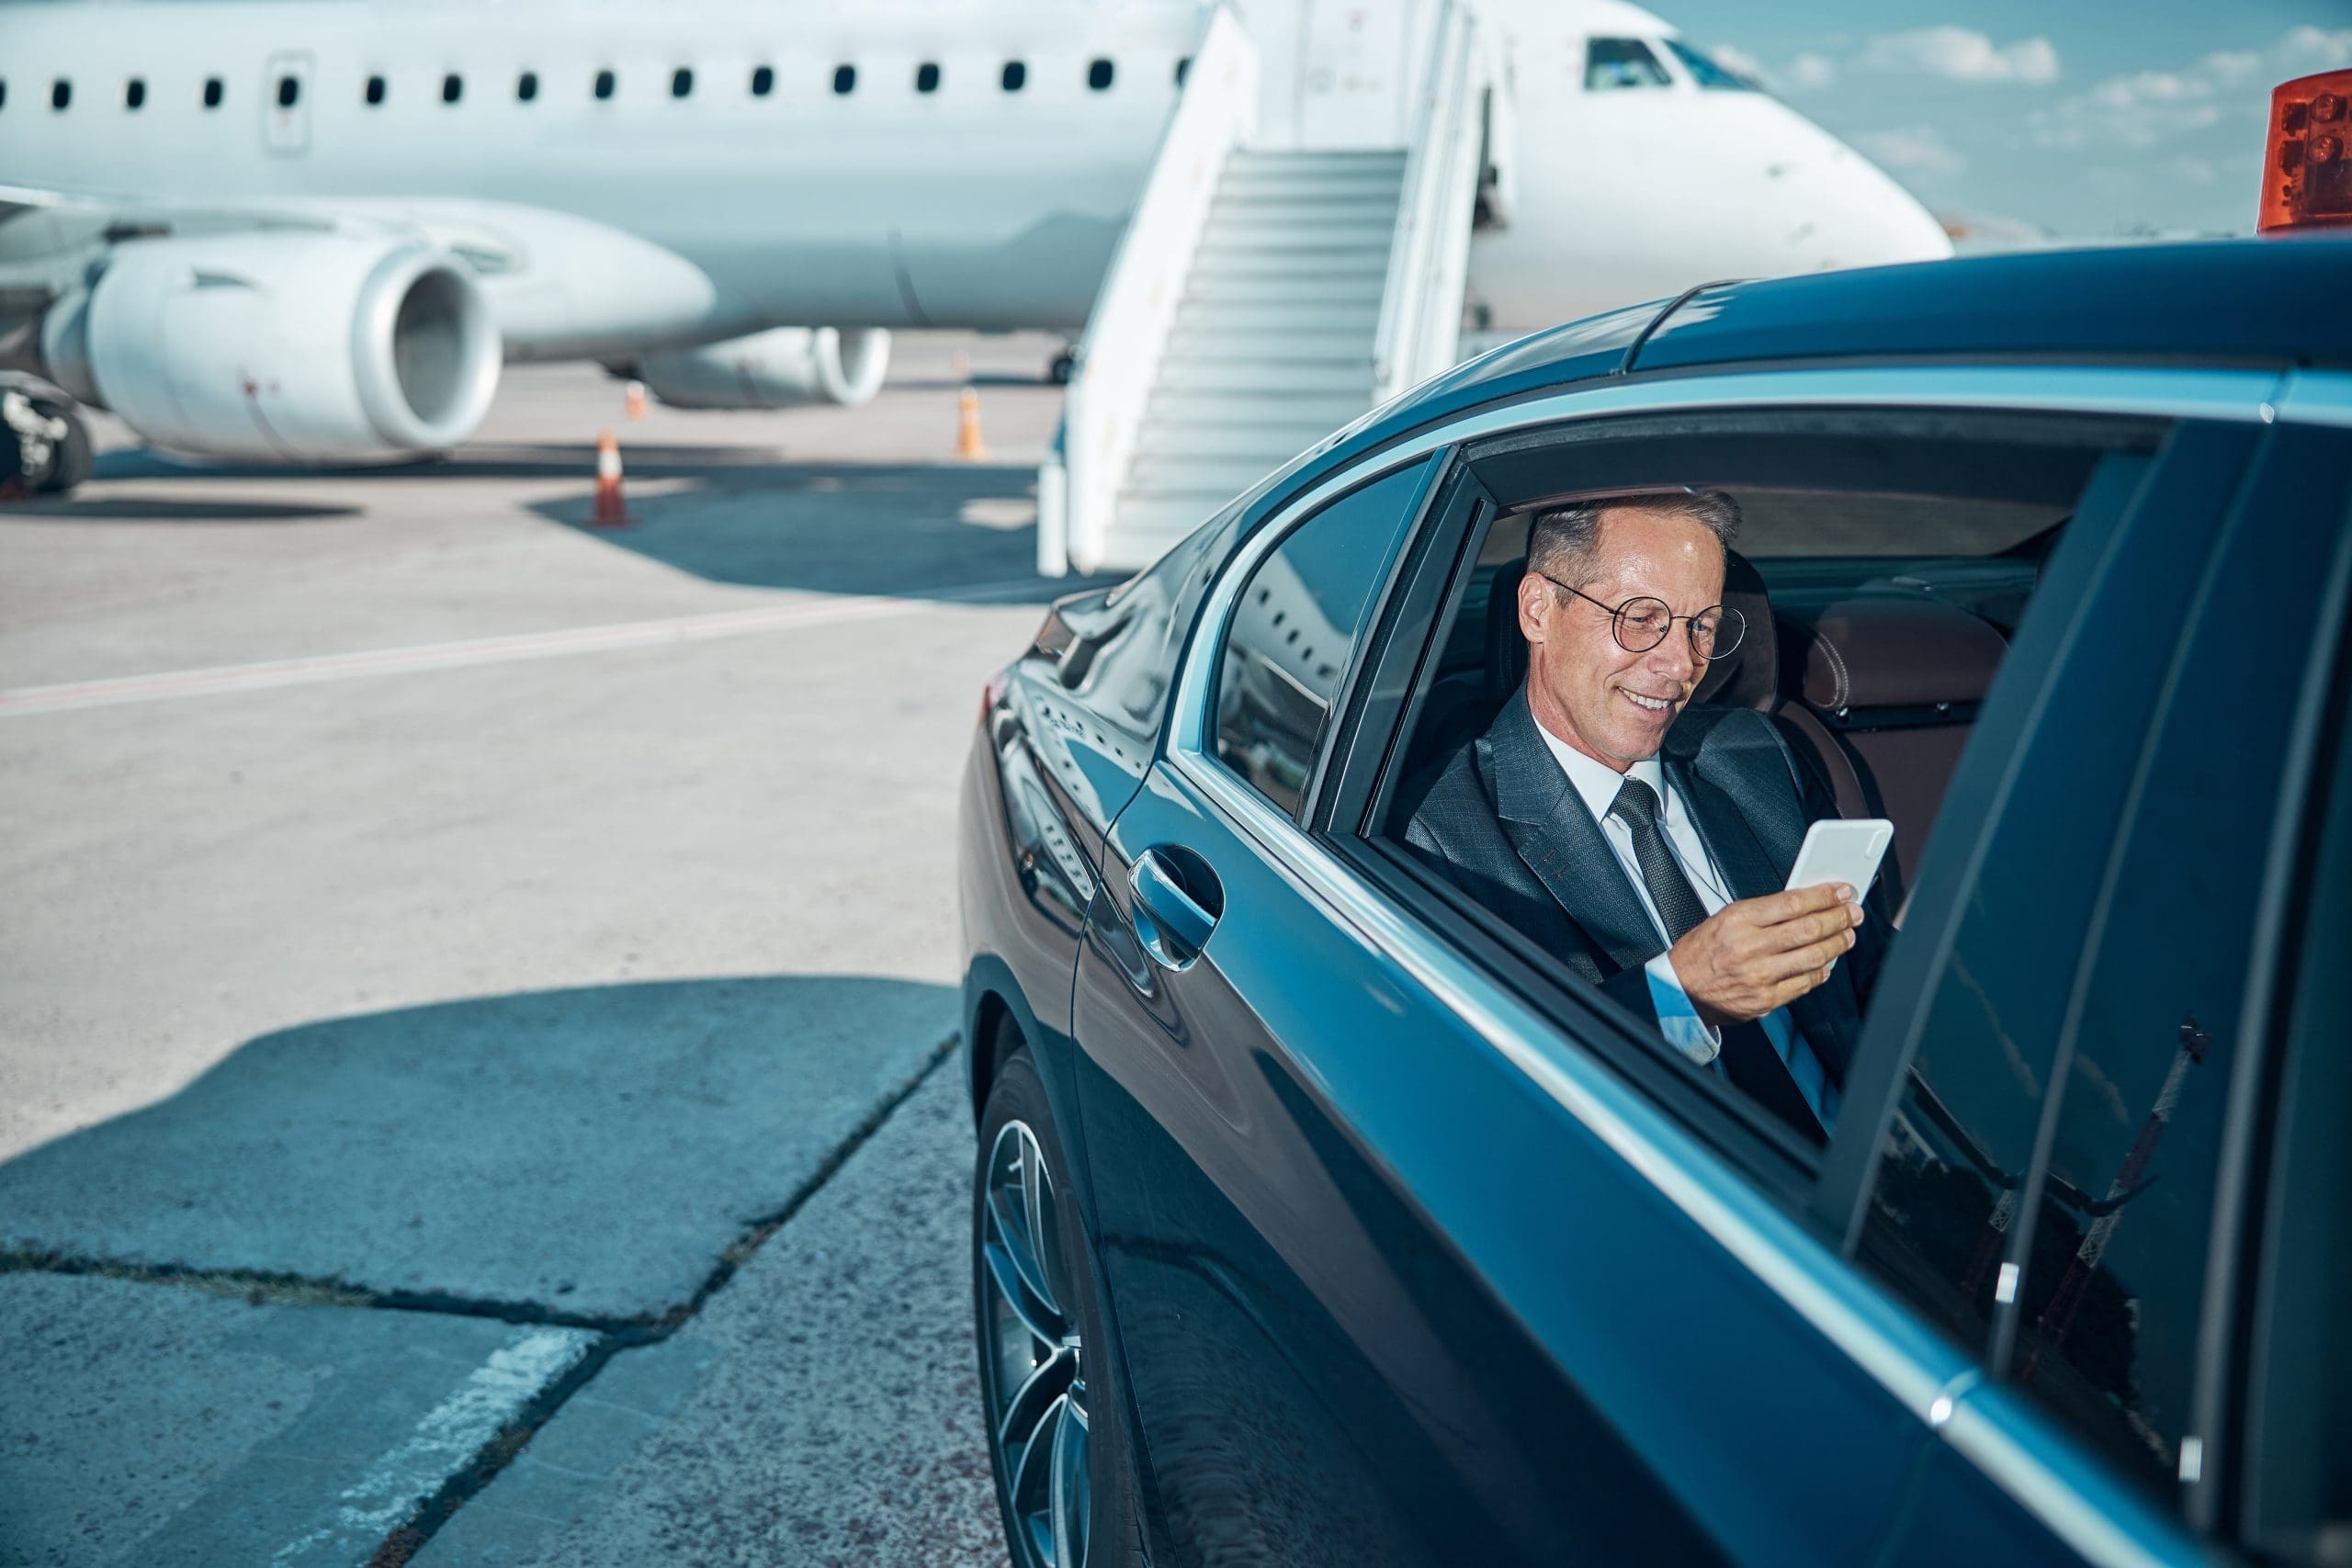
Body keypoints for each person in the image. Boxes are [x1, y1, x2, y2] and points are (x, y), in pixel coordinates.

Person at [1404, 491, 1887, 1145]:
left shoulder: (1754, 757)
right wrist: (1683, 996)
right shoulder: (1446, 836)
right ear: (1539, 609)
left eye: (1703, 625)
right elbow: (1491, 1104)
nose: (1682, 664)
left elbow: (1876, 988)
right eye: (1640, 617)